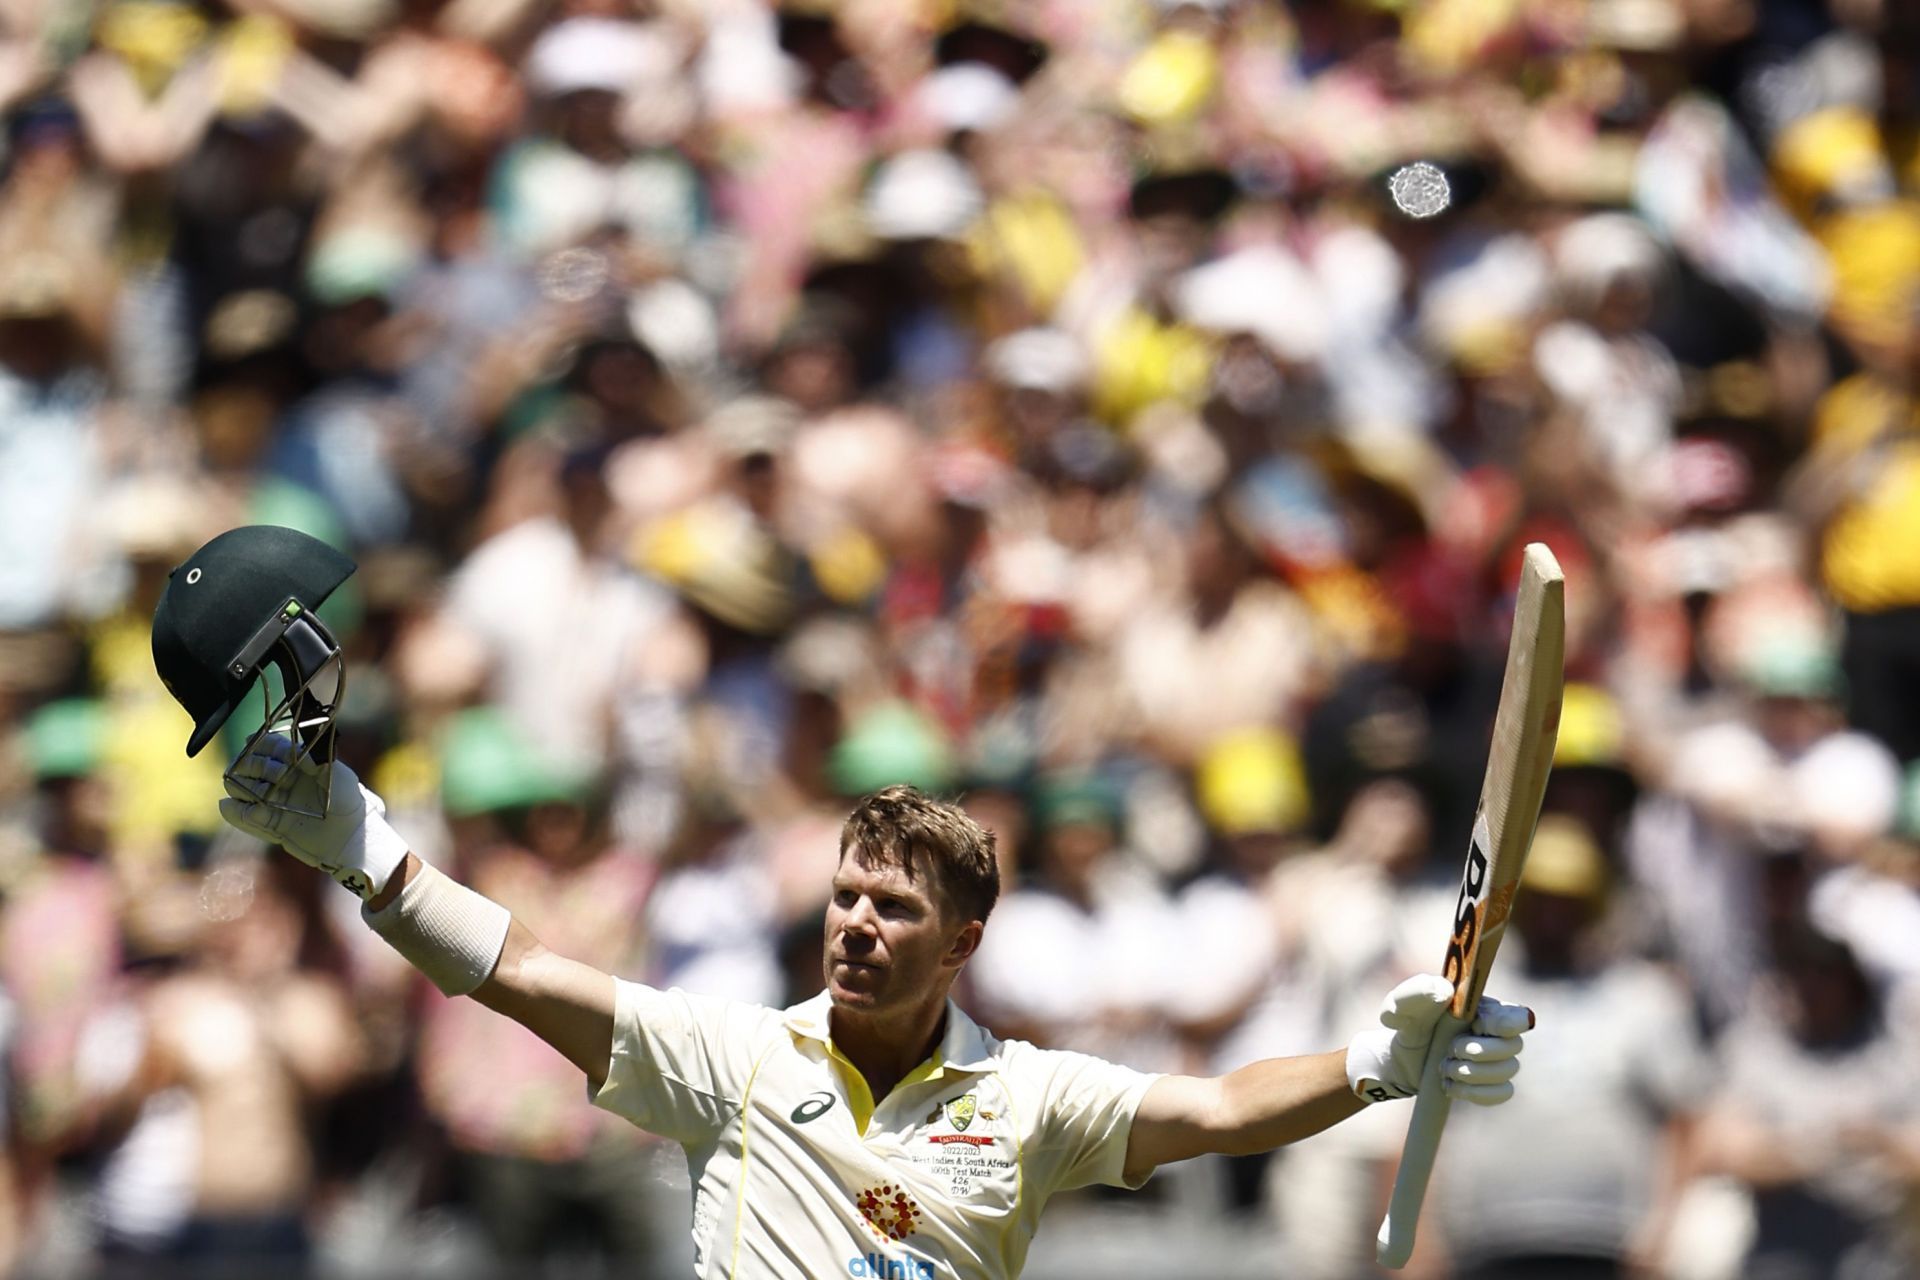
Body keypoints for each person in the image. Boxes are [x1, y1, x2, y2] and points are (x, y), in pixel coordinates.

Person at [154, 525, 1534, 1278]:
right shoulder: (738, 1063)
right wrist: (360, 849)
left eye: (895, 909)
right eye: (846, 898)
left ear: (967, 943)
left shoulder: (1033, 1101)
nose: (858, 925)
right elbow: (515, 971)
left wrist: (1377, 1062)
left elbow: (1225, 1110)